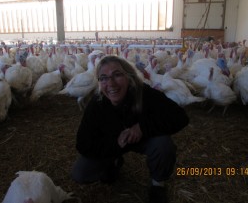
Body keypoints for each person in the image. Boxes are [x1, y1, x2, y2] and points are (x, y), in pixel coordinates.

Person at [71, 55, 189, 203]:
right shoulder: (97, 104)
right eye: (104, 78)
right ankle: (113, 162)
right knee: (80, 173)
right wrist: (114, 145)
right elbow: (83, 143)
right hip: (114, 143)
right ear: (100, 82)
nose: (111, 83)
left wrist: (142, 128)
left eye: (117, 75)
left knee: (163, 144)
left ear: (129, 76)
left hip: (143, 138)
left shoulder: (144, 93)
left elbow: (180, 117)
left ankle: (158, 184)